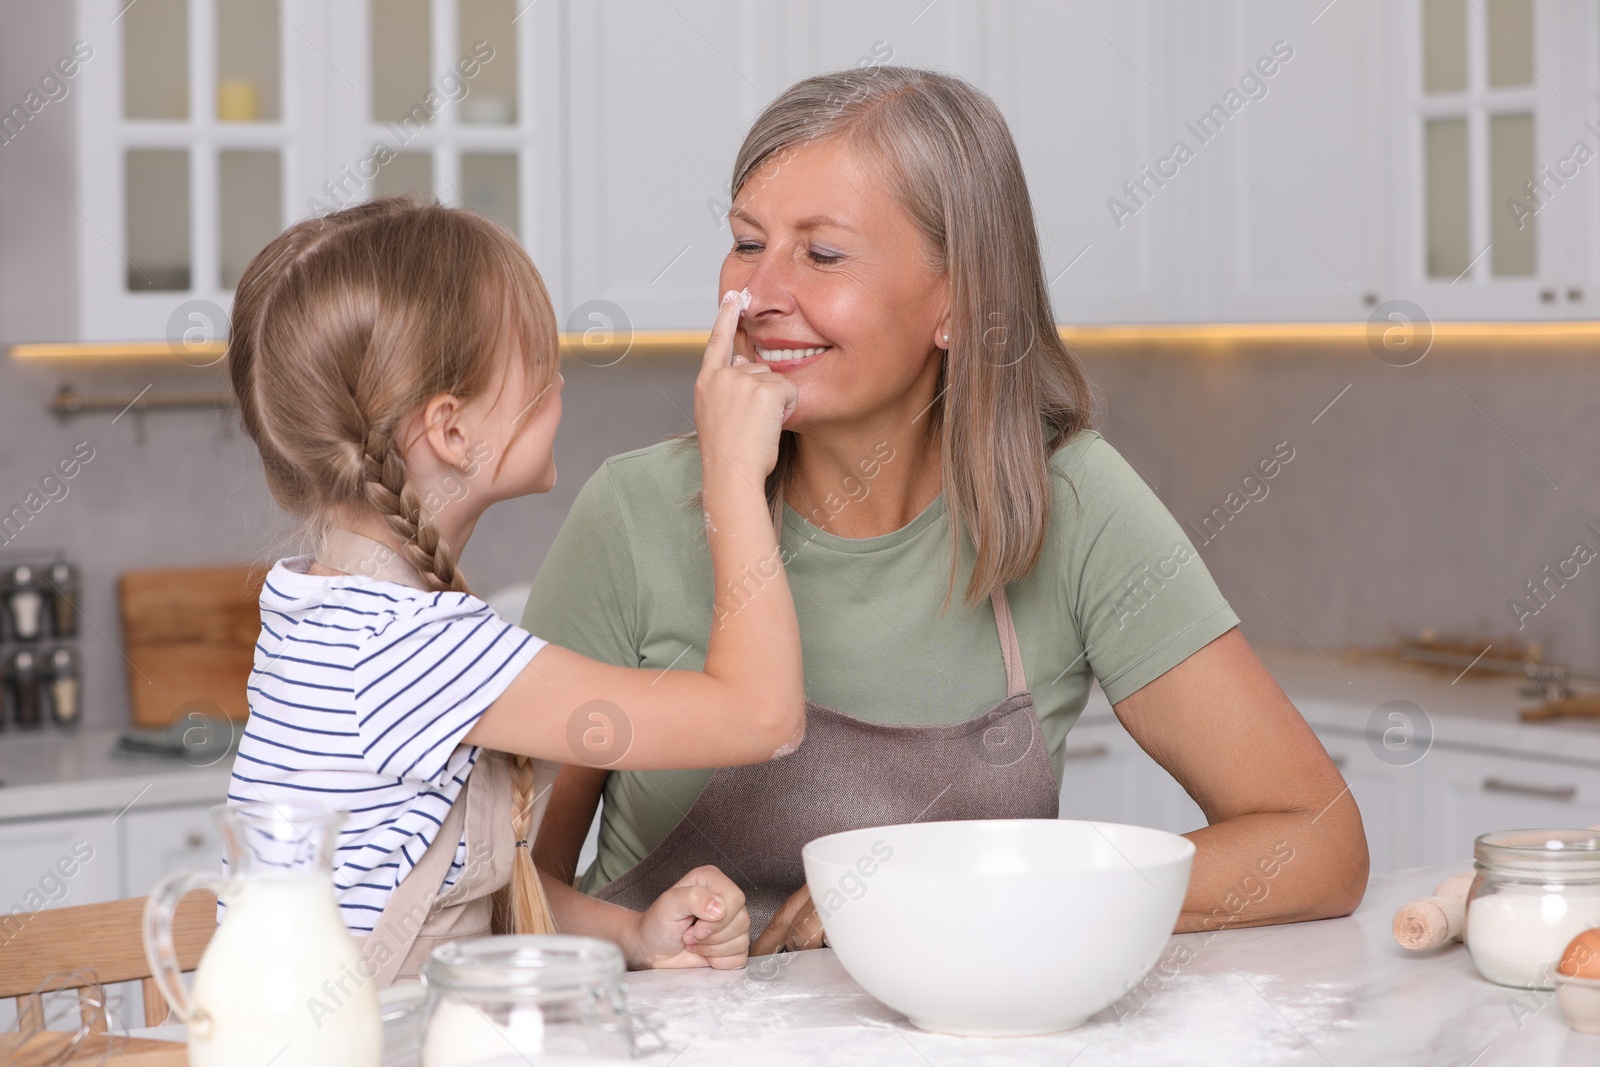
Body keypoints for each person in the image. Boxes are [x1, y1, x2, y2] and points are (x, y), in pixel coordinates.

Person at [526, 67, 1369, 953]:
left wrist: (978, 889)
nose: (760, 295)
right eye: (746, 242)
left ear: (959, 303)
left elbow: (1316, 838)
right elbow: (500, 883)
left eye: (821, 253)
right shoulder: (636, 514)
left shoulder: (1072, 504)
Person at [223, 195, 802, 982]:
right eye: (536, 360)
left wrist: (631, 934)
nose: (557, 379)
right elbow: (761, 717)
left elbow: (453, 886)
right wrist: (733, 474)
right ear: (452, 430)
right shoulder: (419, 648)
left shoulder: (319, 609)